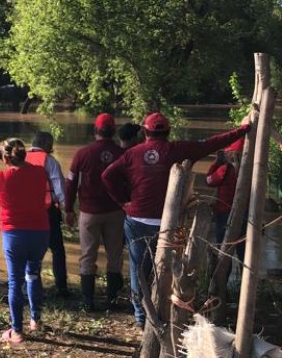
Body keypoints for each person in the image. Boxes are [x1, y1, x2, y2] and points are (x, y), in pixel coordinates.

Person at [101, 112, 250, 328]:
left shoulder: (133, 153)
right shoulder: (178, 149)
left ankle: (141, 316)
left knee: (137, 268)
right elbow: (212, 143)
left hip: (137, 219)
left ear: (145, 132)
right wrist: (242, 130)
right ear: (168, 131)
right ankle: (162, 310)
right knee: (165, 267)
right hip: (166, 223)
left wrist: (123, 201)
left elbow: (107, 175)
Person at [0, 138, 50, 345]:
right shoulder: (40, 173)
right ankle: (36, 320)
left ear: (5, 157)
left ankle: (17, 331)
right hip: (40, 232)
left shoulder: (3, 178)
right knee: (33, 274)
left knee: (15, 281)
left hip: (15, 235)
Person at [64, 113, 125, 311]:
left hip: (89, 212)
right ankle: (112, 300)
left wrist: (68, 209)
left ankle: (88, 301)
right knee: (115, 255)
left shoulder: (83, 154)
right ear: (114, 131)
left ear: (95, 131)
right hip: (116, 211)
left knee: (88, 255)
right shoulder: (121, 153)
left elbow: (71, 183)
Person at [26, 131, 70, 297]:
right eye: (51, 145)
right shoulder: (50, 161)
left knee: (30, 250)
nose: (52, 148)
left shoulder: (20, 158)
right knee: (57, 250)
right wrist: (68, 210)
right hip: (47, 211)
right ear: (46, 144)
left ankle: (32, 286)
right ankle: (61, 288)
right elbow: (60, 190)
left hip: (24, 212)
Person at [205, 138, 246, 281]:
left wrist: (216, 162)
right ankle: (243, 286)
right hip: (246, 215)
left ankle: (221, 288)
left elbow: (208, 180)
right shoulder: (250, 170)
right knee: (244, 254)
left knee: (224, 253)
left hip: (224, 215)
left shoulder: (225, 169)